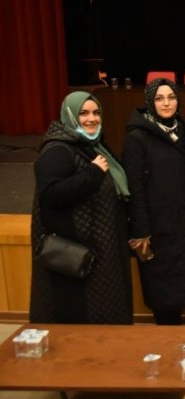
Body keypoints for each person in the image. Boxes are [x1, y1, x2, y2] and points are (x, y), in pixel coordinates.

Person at [29, 91, 133, 324]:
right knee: (81, 322)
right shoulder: (57, 150)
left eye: (96, 113)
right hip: (77, 254)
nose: (92, 118)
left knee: (106, 314)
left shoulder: (92, 145)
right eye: (83, 113)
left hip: (101, 247)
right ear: (69, 115)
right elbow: (51, 195)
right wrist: (93, 174)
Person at [122, 78, 185, 325]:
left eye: (171, 97)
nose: (166, 103)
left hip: (181, 222)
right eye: (159, 98)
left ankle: (177, 336)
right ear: (150, 102)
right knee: (161, 290)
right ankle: (166, 336)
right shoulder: (137, 137)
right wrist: (141, 230)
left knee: (181, 284)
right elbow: (134, 188)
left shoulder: (182, 129)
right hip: (154, 227)